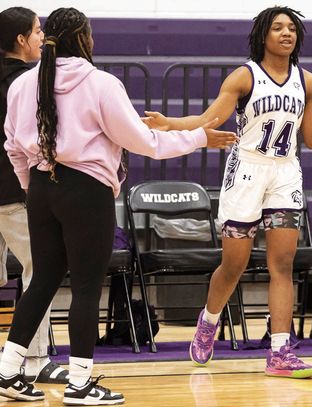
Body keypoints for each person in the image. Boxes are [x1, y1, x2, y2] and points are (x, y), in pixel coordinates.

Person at [0, 7, 236, 405]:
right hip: (86, 190)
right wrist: (199, 138)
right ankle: (79, 382)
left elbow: (11, 146)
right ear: (84, 38)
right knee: (88, 284)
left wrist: (35, 188)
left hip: (41, 187)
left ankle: (7, 371)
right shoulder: (100, 83)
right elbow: (146, 143)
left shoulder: (24, 83)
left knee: (41, 281)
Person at [143, 6, 312, 378]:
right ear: (263, 35)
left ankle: (279, 351)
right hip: (246, 172)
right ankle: (209, 321)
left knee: (282, 264)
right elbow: (207, 119)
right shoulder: (245, 76)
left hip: (285, 174)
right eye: (277, 27)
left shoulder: (307, 81)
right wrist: (169, 125)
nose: (286, 33)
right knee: (234, 265)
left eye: (291, 28)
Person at [0, 6, 70, 385]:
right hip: (14, 192)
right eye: (37, 30)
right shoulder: (28, 84)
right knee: (39, 273)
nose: (42, 37)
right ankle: (34, 359)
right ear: (21, 40)